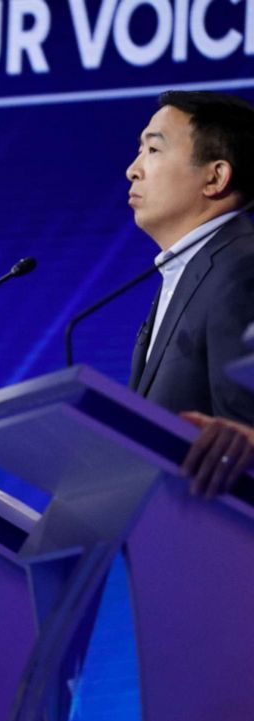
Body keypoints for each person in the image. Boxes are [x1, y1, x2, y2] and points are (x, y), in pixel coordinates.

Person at [126, 90, 254, 498]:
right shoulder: (193, 270)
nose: (133, 169)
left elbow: (243, 434)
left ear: (215, 177)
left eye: (153, 149)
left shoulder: (241, 269)